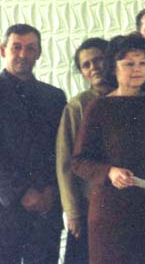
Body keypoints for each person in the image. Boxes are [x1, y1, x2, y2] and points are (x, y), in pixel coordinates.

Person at [0, 24, 67, 264]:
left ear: (39, 53)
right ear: (3, 50)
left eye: (30, 48)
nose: (23, 54)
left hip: (46, 209)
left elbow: (61, 150)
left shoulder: (54, 97)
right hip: (1, 213)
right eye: (16, 47)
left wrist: (51, 189)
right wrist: (22, 193)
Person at [72, 33, 145, 264]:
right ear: (113, 68)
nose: (137, 69)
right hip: (111, 212)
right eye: (128, 64)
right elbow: (79, 161)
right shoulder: (99, 107)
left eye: (142, 63)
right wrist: (109, 172)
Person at [56, 37, 113, 264]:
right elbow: (65, 163)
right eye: (86, 65)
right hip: (88, 206)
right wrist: (72, 212)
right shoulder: (77, 106)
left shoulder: (131, 95)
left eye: (98, 60)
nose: (94, 68)